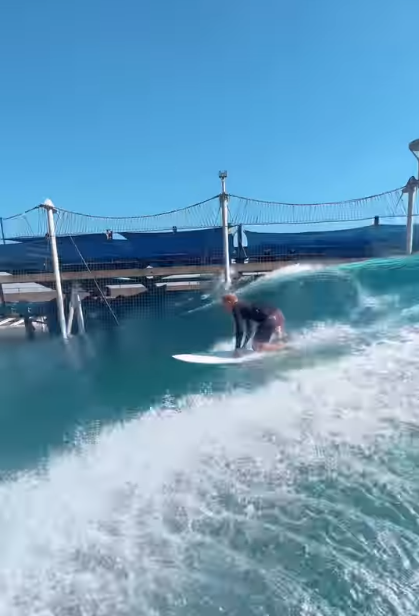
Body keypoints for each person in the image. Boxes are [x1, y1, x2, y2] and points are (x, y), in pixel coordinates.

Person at [221, 293, 286, 356]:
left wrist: (237, 350)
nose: (224, 308)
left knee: (257, 346)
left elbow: (240, 331)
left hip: (269, 319)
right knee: (276, 338)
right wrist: (244, 346)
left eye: (224, 305)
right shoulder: (245, 306)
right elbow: (250, 330)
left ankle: (283, 348)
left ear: (229, 302)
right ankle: (283, 342)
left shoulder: (236, 307)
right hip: (278, 314)